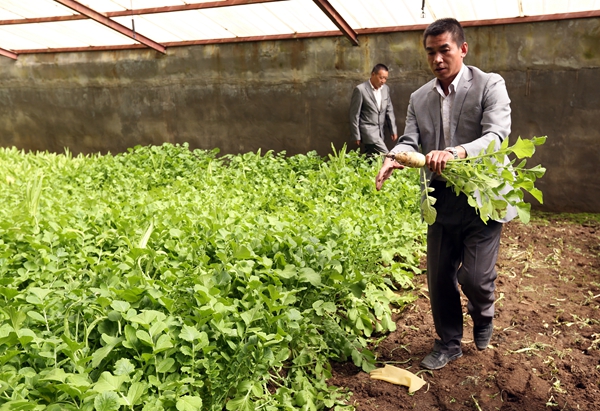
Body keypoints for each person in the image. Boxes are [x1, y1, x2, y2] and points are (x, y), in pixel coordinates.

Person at [375, 18, 517, 370]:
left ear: (462, 49)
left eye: (444, 50)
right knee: (438, 277)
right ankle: (448, 342)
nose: (437, 59)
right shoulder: (419, 97)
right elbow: (410, 139)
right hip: (440, 198)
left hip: (484, 194)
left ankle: (483, 314)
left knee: (475, 277)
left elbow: (496, 136)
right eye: (431, 53)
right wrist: (395, 156)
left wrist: (455, 152)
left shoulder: (489, 84)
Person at [349, 64, 398, 156]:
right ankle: (395, 169)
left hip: (380, 132)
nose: (383, 81)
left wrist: (393, 130)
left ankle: (362, 169)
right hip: (368, 132)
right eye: (381, 78)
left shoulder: (385, 89)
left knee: (370, 157)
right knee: (386, 156)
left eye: (385, 78)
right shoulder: (360, 90)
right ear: (373, 75)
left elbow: (389, 110)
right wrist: (356, 135)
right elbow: (354, 114)